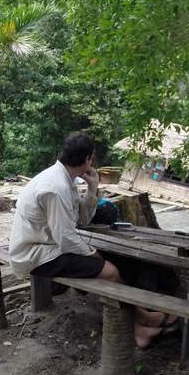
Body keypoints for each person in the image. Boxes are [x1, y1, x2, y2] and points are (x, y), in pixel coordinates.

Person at [9, 132, 173, 348]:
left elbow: (82, 221)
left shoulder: (64, 179)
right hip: (37, 255)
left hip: (48, 245)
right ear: (88, 158)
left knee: (106, 262)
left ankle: (143, 316)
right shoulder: (56, 187)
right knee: (111, 271)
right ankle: (137, 330)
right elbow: (65, 238)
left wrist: (93, 188)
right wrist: (92, 254)